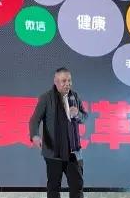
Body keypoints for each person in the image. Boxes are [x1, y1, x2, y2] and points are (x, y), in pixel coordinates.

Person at [29, 67, 88, 198]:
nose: (68, 84)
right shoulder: (46, 98)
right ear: (55, 81)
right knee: (53, 188)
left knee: (77, 186)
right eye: (64, 81)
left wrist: (77, 114)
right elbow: (34, 120)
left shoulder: (75, 96)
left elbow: (85, 117)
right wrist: (35, 136)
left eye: (69, 80)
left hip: (73, 152)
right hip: (53, 152)